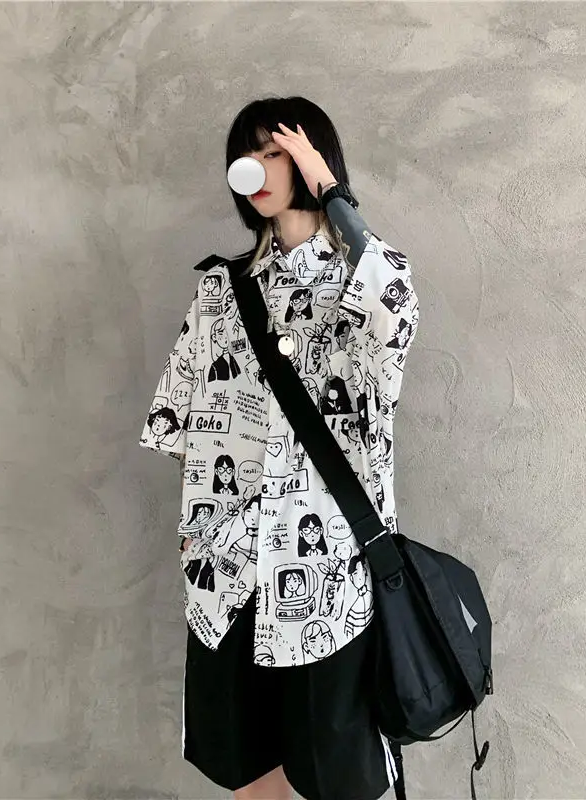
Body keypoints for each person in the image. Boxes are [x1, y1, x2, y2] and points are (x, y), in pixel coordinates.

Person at [139, 95, 420, 800]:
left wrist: (333, 194)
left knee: (340, 783)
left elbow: (398, 310)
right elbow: (179, 427)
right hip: (227, 575)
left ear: (310, 159)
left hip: (328, 582)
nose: (256, 169)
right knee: (250, 779)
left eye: (274, 152)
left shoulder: (361, 284)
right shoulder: (220, 292)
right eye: (247, 155)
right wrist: (206, 527)